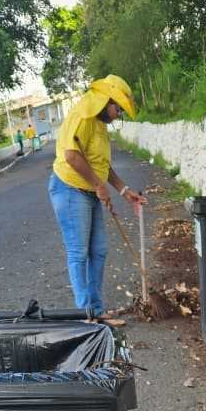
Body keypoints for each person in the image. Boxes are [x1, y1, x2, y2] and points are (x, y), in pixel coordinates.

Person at [48, 74, 146, 319]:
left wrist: (124, 191)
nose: (118, 116)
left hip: (89, 190)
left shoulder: (100, 123)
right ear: (107, 101)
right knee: (78, 253)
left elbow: (101, 164)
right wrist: (97, 185)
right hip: (70, 189)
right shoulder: (83, 115)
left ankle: (96, 310)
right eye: (118, 110)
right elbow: (71, 155)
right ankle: (86, 314)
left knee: (99, 250)